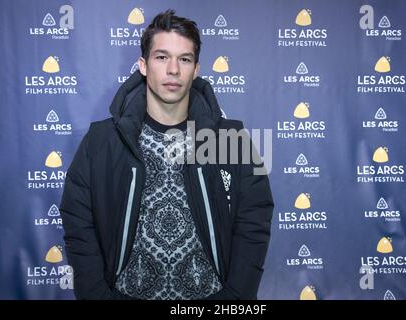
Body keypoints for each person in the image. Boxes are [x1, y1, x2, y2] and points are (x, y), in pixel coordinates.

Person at [60, 9, 274, 300]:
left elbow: (254, 221)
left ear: (196, 69)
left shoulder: (231, 140)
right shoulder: (101, 141)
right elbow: (78, 224)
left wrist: (235, 297)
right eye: (161, 57)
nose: (173, 69)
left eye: (184, 59)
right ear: (143, 65)